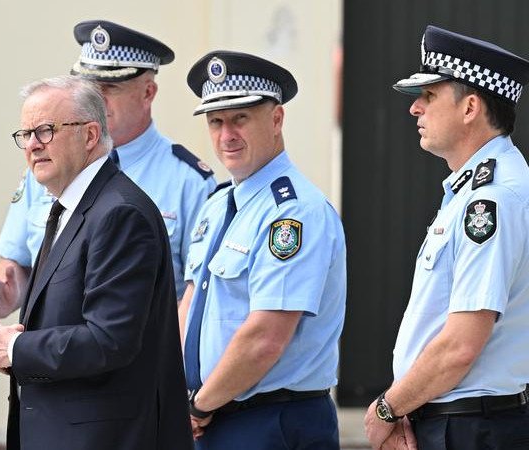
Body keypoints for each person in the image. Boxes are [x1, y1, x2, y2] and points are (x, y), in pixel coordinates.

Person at [0, 75, 193, 450]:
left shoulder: (119, 213)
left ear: (90, 136)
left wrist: (15, 349)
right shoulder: (70, 209)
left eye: (45, 131)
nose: (32, 145)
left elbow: (109, 339)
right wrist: (6, 346)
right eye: (25, 134)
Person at [364, 25, 529, 450]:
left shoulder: (491, 200)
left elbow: (460, 344)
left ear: (470, 106)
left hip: (471, 428)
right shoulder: (474, 190)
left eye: (430, 95)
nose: (415, 109)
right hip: (455, 420)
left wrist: (387, 408)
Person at [0, 20, 216, 318]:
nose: (95, 99)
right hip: (45, 355)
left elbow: (196, 294)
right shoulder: (48, 167)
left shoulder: (189, 180)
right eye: (88, 88)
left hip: (133, 355)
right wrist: (12, 292)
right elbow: (15, 258)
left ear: (148, 92)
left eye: (109, 88)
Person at [179, 50, 346, 449]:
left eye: (240, 119)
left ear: (276, 119)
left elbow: (265, 338)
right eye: (216, 121)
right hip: (211, 417)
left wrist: (199, 406)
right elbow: (189, 305)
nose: (226, 135)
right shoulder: (218, 204)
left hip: (271, 422)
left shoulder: (295, 212)